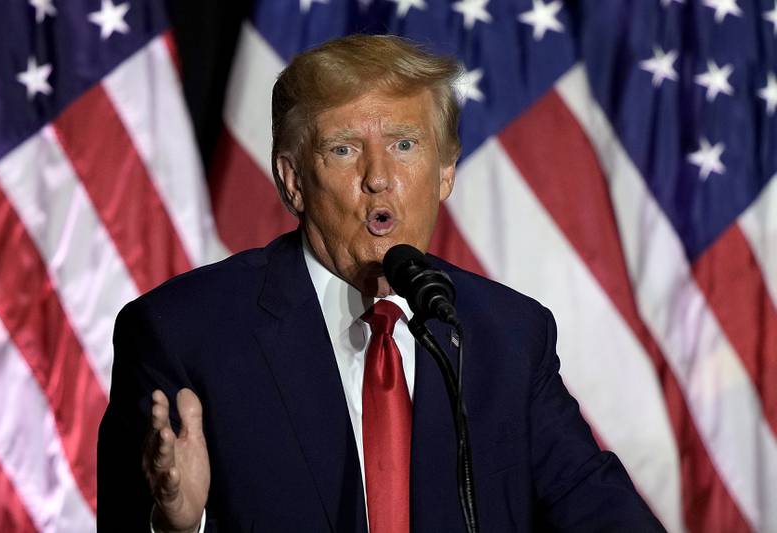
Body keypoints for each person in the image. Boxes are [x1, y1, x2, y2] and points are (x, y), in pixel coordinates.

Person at [97, 34, 664, 532]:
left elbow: (593, 504)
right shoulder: (185, 332)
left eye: (404, 144)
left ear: (445, 171)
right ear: (292, 180)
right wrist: (178, 525)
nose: (378, 178)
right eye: (343, 149)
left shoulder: (510, 335)